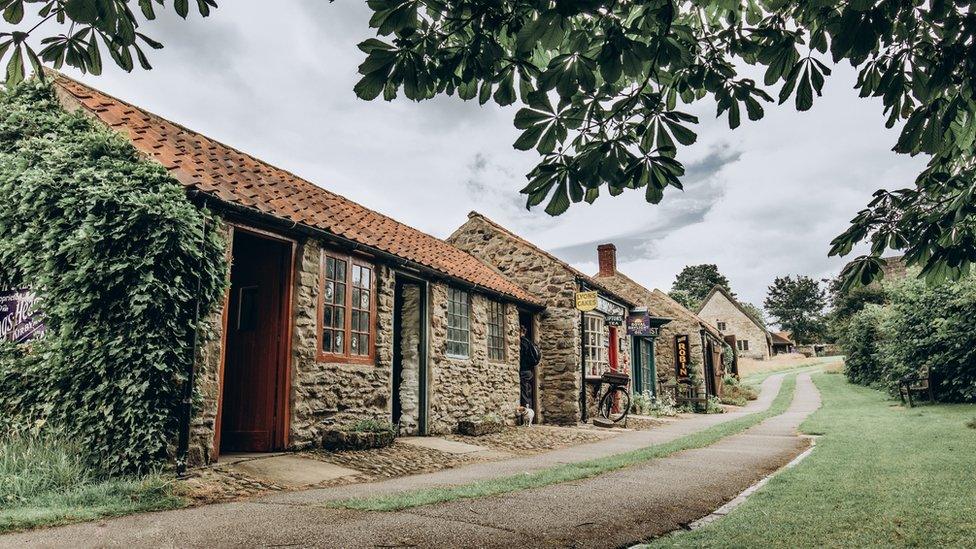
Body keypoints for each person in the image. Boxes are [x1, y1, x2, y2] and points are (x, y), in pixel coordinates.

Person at [519, 325, 541, 408]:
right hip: (529, 371)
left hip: (524, 370)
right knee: (528, 393)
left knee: (524, 394)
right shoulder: (529, 342)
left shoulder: (522, 342)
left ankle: (526, 414)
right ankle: (530, 411)